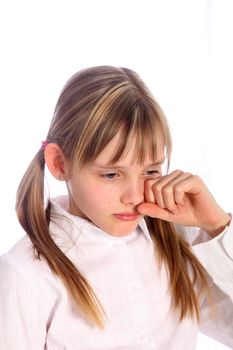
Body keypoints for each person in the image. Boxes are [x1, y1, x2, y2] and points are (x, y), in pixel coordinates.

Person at [0, 66, 232, 350]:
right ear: (60, 163)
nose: (134, 196)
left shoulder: (176, 243)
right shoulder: (26, 274)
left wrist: (219, 226)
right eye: (111, 175)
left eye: (150, 171)